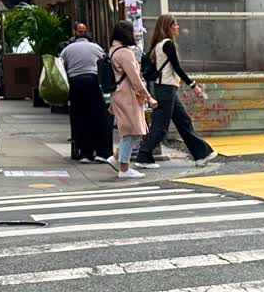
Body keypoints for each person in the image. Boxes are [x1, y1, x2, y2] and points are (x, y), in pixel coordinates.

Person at [133, 16, 218, 166]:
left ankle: (201, 154)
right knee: (160, 126)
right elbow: (177, 68)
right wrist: (193, 85)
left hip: (166, 88)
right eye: (175, 24)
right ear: (168, 27)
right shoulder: (167, 44)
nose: (178, 27)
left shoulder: (158, 44)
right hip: (166, 89)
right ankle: (143, 155)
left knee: (183, 121)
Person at [60, 22, 113, 164]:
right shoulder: (96, 47)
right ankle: (102, 152)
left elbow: (61, 68)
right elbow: (105, 63)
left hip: (75, 83)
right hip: (93, 82)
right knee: (98, 117)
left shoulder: (67, 50)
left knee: (79, 118)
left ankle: (84, 153)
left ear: (75, 34)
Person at [106, 20, 152, 178]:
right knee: (131, 132)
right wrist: (148, 96)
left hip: (119, 94)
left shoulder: (113, 50)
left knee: (133, 130)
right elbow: (135, 78)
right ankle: (124, 169)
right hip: (127, 95)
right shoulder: (125, 53)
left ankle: (116, 158)